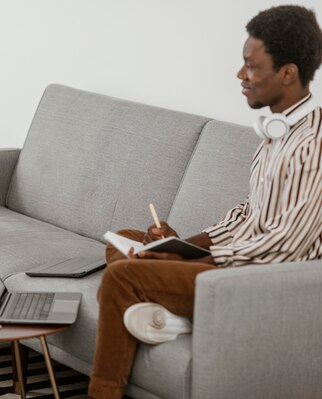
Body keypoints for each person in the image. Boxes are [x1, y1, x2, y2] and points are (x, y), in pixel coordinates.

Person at [88, 5, 322, 399]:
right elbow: (247, 215)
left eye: (251, 66)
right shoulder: (276, 134)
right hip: (239, 265)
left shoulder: (313, 145)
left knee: (121, 275)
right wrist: (181, 244)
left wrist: (198, 261)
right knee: (127, 241)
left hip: (263, 285)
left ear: (287, 72)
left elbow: (287, 246)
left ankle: (102, 393)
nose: (239, 75)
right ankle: (180, 318)